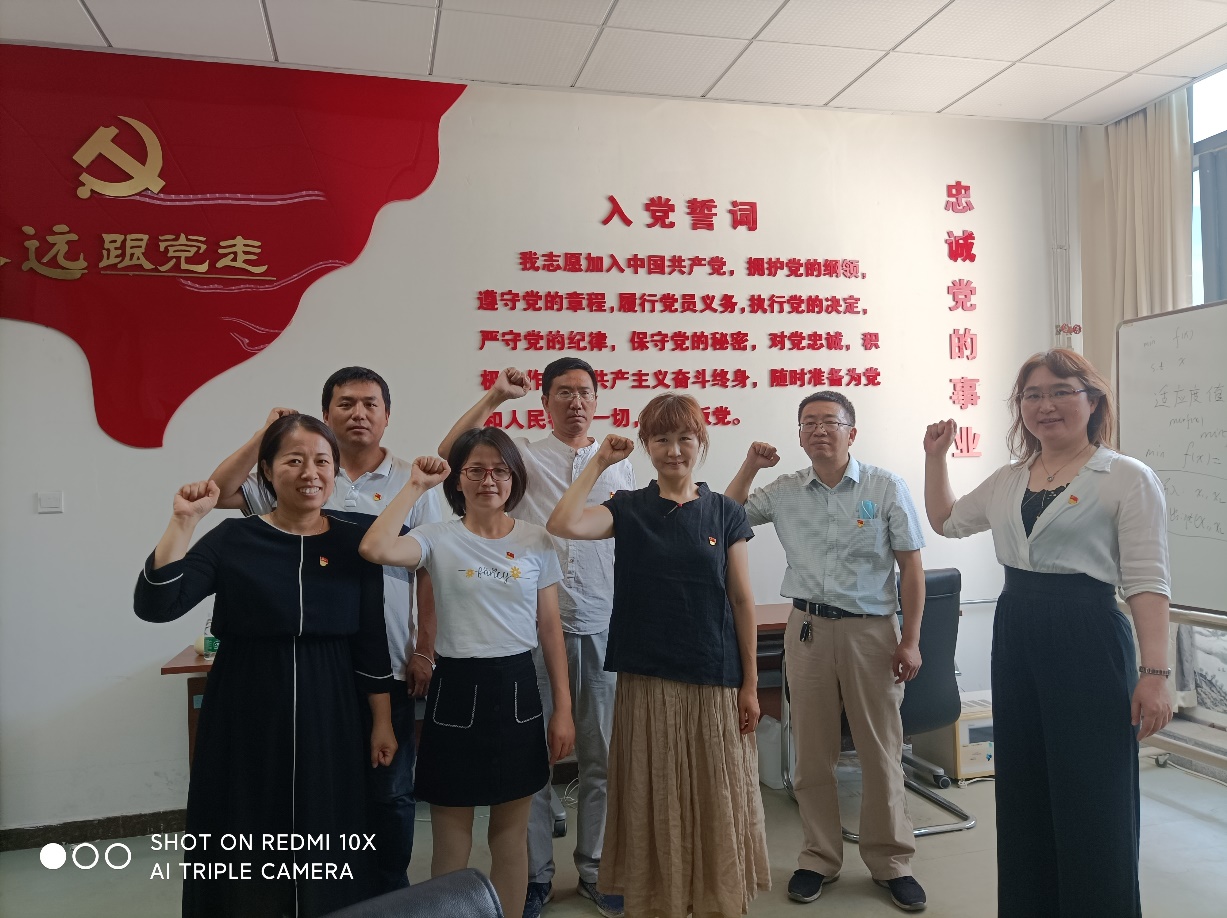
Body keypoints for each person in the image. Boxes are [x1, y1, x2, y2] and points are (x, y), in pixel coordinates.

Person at [923, 348, 1172, 918]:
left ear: (1093, 400)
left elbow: (1147, 581)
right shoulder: (1010, 478)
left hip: (1089, 634)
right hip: (1017, 631)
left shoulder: (1126, 477)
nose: (1046, 405)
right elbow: (947, 520)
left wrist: (1155, 674)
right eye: (1032, 395)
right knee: (1024, 787)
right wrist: (936, 459)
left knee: (1093, 792)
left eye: (1061, 391)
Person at [134, 414, 397, 918]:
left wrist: (381, 720)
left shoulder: (355, 541)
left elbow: (370, 639)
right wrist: (184, 522)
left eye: (322, 461)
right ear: (268, 472)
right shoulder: (233, 538)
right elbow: (157, 605)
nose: (310, 473)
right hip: (245, 698)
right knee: (245, 822)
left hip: (331, 701)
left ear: (335, 471)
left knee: (330, 822)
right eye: (294, 460)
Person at [209, 367, 441, 893]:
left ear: (387, 415)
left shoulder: (413, 481)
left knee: (391, 793)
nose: (358, 413)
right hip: (319, 671)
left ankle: (389, 894)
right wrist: (264, 435)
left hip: (389, 662)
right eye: (345, 403)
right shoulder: (300, 473)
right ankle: (324, 892)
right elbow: (217, 493)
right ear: (325, 413)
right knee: (318, 788)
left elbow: (429, 569)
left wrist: (425, 649)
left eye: (370, 404)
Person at [547, 393, 769, 918]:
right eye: (662, 439)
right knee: (656, 793)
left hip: (714, 678)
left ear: (700, 442)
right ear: (646, 445)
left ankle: (714, 898)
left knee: (715, 793)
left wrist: (751, 684)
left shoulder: (726, 512)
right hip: (647, 680)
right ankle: (659, 899)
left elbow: (742, 600)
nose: (674, 450)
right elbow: (563, 523)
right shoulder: (628, 507)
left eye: (684, 438)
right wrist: (599, 461)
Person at [438, 359, 634, 918]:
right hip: (530, 631)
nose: (576, 402)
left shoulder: (621, 463)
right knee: (534, 762)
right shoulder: (522, 457)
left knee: (602, 757)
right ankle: (536, 875)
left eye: (585, 392)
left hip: (603, 625)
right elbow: (450, 456)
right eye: (563, 393)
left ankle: (595, 868)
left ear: (597, 401)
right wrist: (495, 397)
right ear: (544, 402)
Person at [359, 427, 576, 916]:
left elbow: (549, 629)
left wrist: (562, 709)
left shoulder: (536, 540)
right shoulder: (437, 537)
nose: (488, 480)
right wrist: (415, 486)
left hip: (518, 689)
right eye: (475, 470)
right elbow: (374, 548)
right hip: (455, 689)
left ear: (514, 478)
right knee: (451, 837)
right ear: (457, 480)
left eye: (499, 470)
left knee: (510, 837)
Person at [726, 390, 928, 913]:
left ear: (851, 432)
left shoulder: (885, 486)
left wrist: (910, 640)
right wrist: (750, 465)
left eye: (830, 422)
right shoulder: (785, 490)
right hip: (808, 630)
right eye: (808, 423)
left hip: (872, 633)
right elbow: (725, 515)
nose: (819, 430)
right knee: (812, 751)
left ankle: (892, 861)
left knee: (880, 750)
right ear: (799, 435)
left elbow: (911, 567)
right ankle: (818, 857)